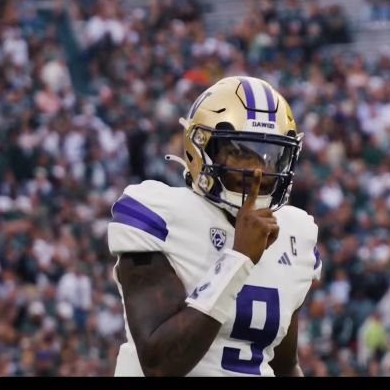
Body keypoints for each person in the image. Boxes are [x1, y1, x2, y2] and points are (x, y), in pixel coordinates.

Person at [107, 76, 321, 376]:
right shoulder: (159, 215)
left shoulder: (295, 232)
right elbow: (160, 364)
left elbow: (284, 365)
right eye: (239, 151)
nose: (257, 169)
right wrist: (239, 260)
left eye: (271, 156)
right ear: (201, 147)